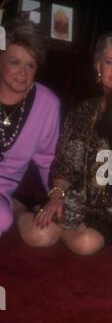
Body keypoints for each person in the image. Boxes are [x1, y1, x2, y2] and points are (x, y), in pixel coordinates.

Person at [17, 29, 112, 255]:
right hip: (75, 199)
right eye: (109, 62)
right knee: (39, 236)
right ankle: (18, 207)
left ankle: (57, 225)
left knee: (84, 244)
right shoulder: (83, 111)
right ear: (98, 66)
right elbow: (65, 164)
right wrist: (56, 197)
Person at [0, 18, 60, 238]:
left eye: (31, 65)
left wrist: (56, 196)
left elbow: (48, 160)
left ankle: (13, 208)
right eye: (15, 62)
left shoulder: (47, 103)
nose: (23, 73)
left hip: (2, 189)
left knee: (2, 218)